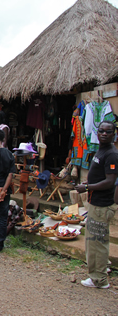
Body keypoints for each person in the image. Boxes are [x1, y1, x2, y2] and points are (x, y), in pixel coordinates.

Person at [76, 121, 118, 289]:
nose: (104, 134)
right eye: (101, 131)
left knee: (96, 241)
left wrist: (86, 187)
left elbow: (110, 181)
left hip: (102, 206)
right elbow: (102, 176)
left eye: (108, 132)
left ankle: (99, 280)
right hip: (96, 203)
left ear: (114, 135)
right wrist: (90, 181)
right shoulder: (102, 151)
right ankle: (102, 268)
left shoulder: (112, 154)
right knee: (97, 241)